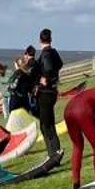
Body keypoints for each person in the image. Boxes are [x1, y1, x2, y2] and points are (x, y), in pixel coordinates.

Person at [32, 28, 65, 165]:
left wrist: (45, 77)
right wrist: (53, 77)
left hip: (45, 93)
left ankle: (53, 155)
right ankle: (54, 153)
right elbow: (60, 64)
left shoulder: (45, 53)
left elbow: (49, 67)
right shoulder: (53, 51)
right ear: (50, 39)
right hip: (52, 91)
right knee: (48, 123)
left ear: (40, 40)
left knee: (46, 125)